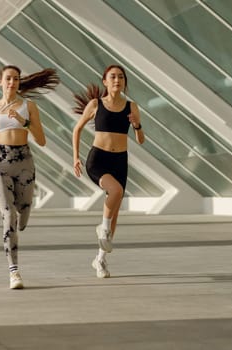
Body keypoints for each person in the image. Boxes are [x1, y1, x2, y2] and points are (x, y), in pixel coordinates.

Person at [0, 65, 59, 289]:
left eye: (15, 79)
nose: (12, 82)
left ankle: (25, 211)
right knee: (8, 214)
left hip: (24, 161)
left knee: (22, 210)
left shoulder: (28, 106)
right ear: (0, 81)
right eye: (8, 79)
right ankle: (14, 271)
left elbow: (41, 140)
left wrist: (24, 123)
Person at [72, 64, 145, 278]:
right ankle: (102, 228)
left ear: (124, 82)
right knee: (115, 192)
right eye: (112, 77)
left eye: (121, 77)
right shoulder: (96, 104)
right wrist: (76, 157)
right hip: (98, 160)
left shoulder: (132, 107)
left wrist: (138, 125)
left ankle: (100, 260)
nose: (117, 80)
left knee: (114, 213)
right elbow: (77, 129)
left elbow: (140, 140)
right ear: (105, 81)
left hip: (120, 160)